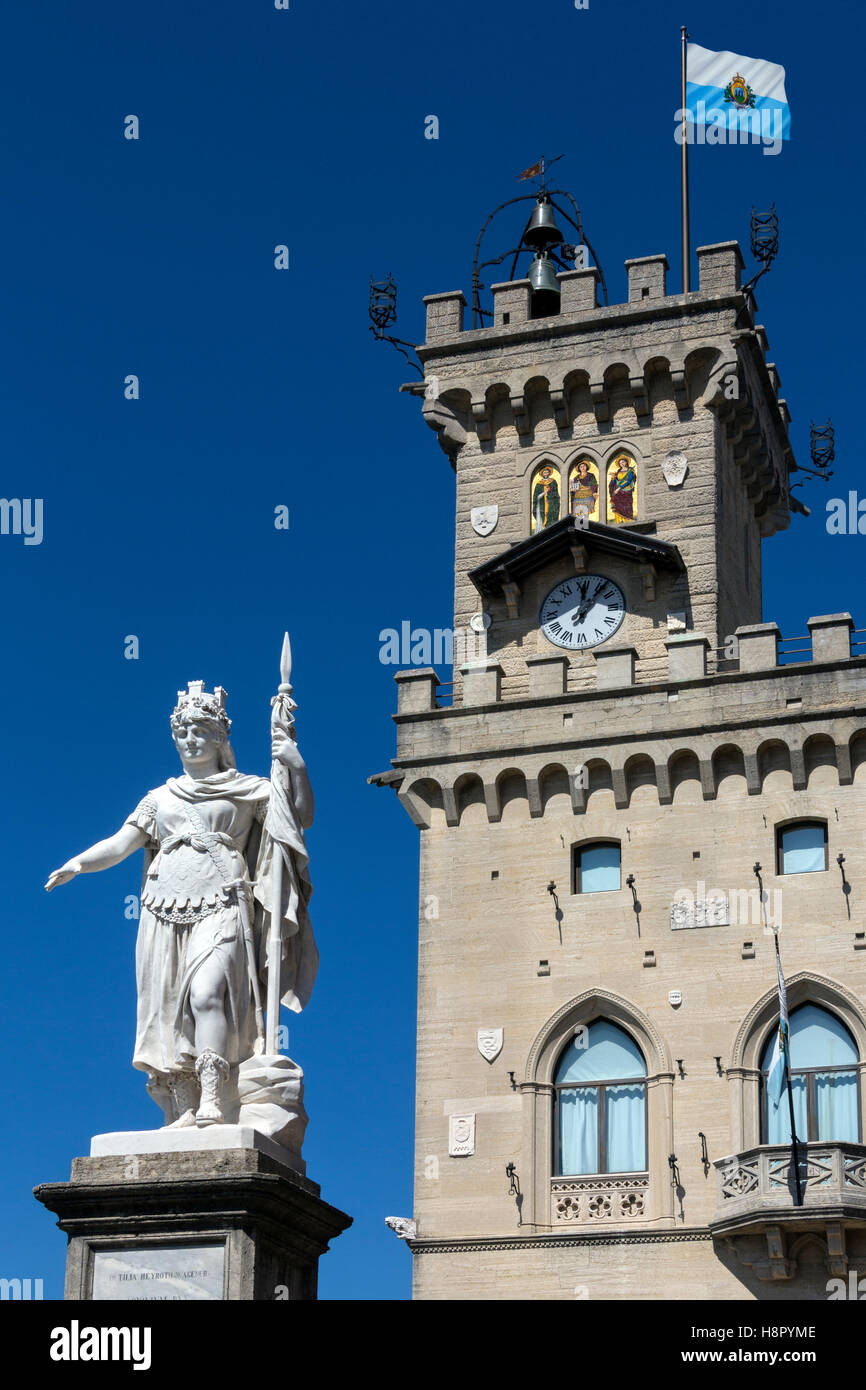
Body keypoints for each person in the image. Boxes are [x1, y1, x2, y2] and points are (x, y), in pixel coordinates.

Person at [45, 682, 316, 1128]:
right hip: (162, 908)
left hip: (223, 903)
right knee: (170, 1008)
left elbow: (297, 820)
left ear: (220, 738)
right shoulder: (160, 798)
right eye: (183, 731)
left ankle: (214, 1097)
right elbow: (120, 844)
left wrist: (296, 765)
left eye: (200, 730)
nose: (190, 739)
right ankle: (183, 1105)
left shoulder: (251, 788)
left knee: (207, 992)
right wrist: (78, 863)